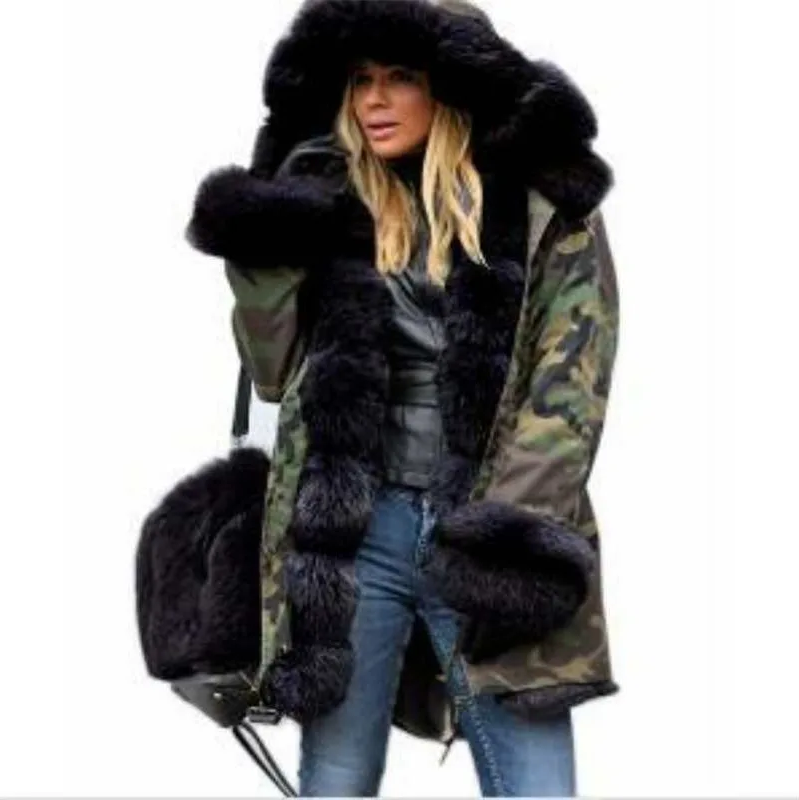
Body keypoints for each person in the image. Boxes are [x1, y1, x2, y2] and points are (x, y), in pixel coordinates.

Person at [186, 0, 621, 796]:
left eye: (400, 78)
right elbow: (274, 374)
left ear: (448, 87)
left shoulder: (544, 206)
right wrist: (262, 241)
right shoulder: (330, 200)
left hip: (489, 528)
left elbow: (571, 393)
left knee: (537, 785)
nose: (374, 100)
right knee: (337, 780)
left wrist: (500, 539)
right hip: (357, 536)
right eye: (360, 80)